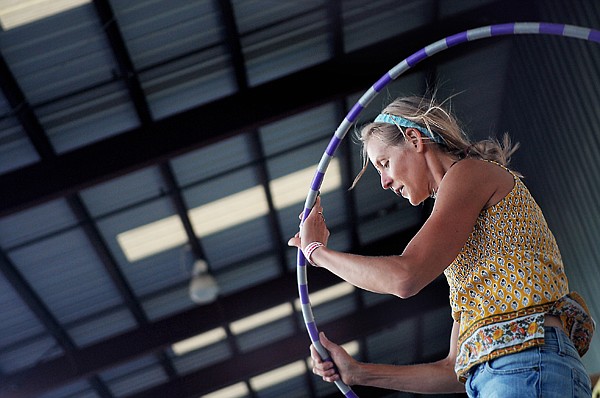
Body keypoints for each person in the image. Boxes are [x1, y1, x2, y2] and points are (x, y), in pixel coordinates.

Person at [288, 95, 595, 397]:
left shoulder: (470, 173)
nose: (383, 182)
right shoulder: (462, 256)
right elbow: (453, 369)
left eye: (384, 163)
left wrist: (317, 252)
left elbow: (405, 277)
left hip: (527, 365)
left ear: (414, 139)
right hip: (511, 374)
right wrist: (358, 372)